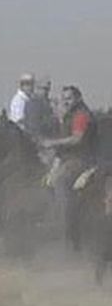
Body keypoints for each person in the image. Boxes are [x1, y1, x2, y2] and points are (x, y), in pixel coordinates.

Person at [41, 85, 96, 250]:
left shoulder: (81, 115)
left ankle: (67, 228)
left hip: (82, 159)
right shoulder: (69, 116)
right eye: (64, 98)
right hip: (69, 158)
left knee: (61, 181)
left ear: (78, 98)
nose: (66, 101)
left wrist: (52, 143)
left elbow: (77, 139)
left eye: (69, 98)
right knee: (46, 179)